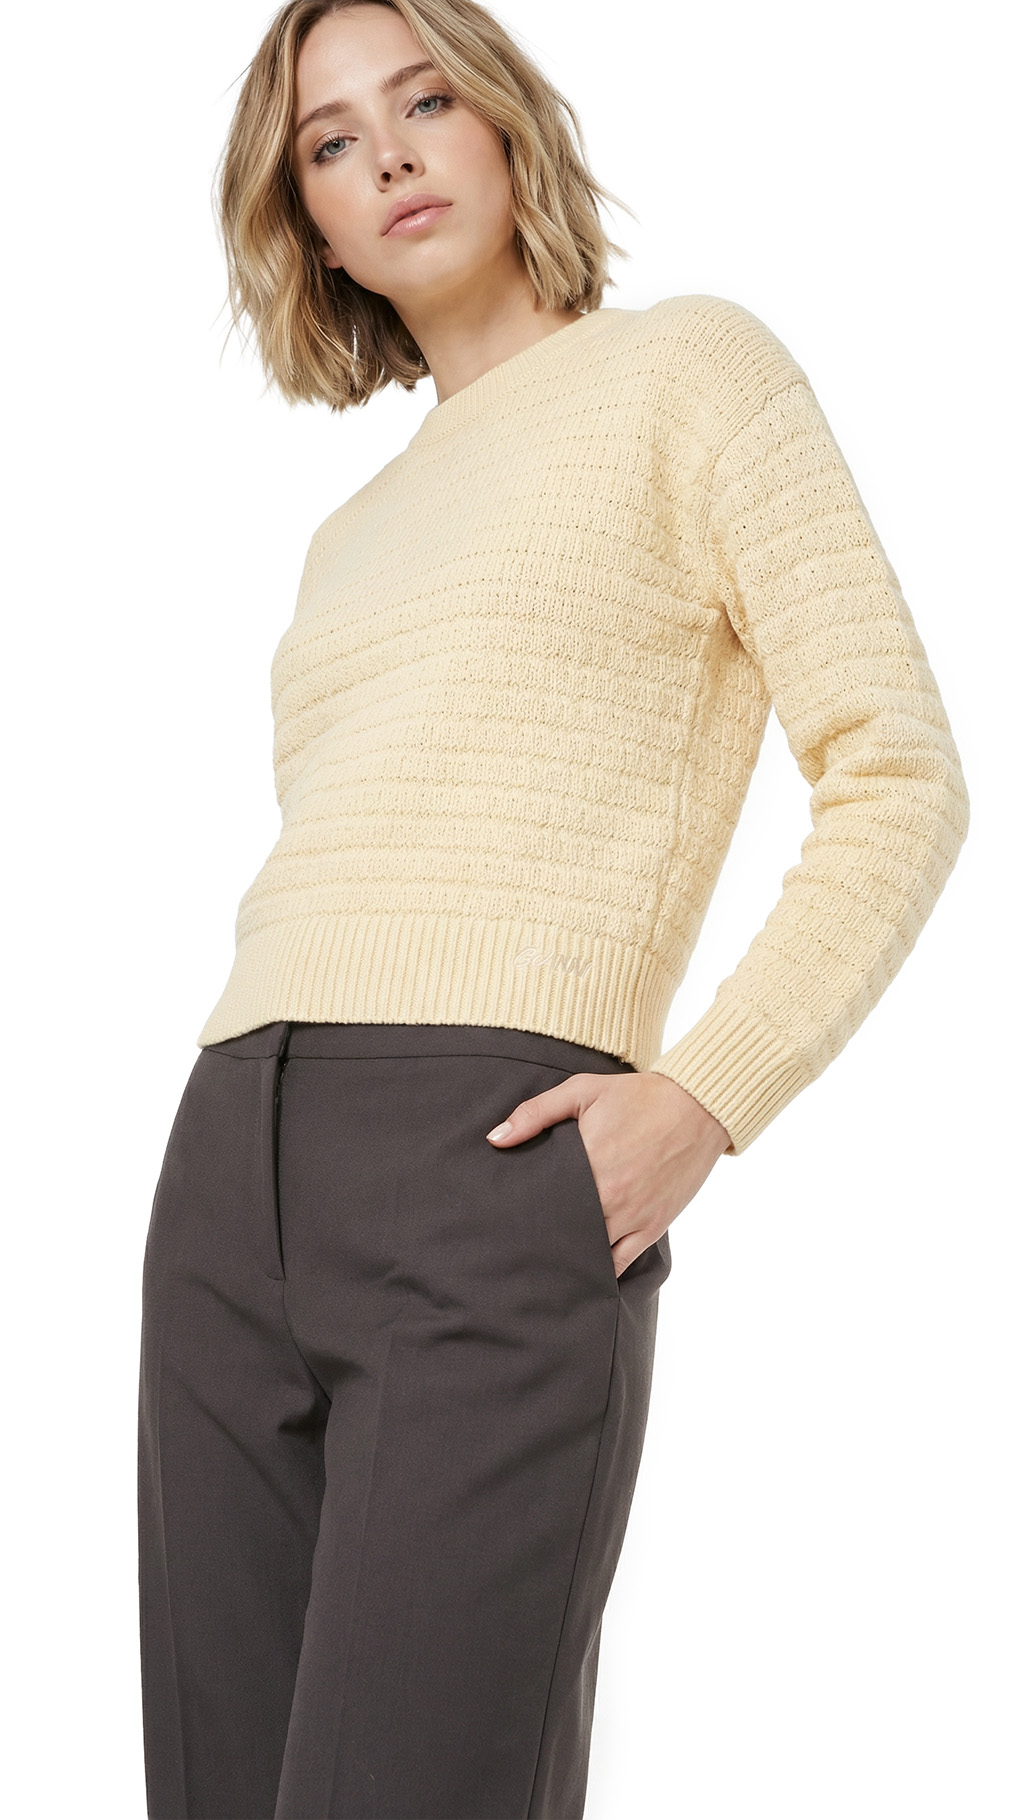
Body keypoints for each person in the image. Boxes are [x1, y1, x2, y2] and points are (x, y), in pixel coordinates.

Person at [135, 1, 970, 1816]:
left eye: (424, 100)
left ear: (506, 121)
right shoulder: (348, 535)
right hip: (229, 1165)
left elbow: (901, 773)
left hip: (489, 1161)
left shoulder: (694, 374)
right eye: (332, 144)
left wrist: (705, 1097)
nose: (390, 156)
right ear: (312, 228)